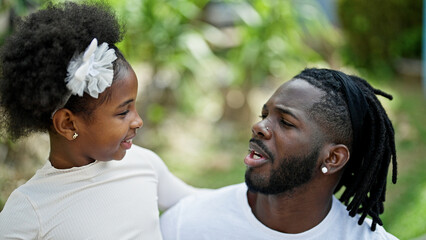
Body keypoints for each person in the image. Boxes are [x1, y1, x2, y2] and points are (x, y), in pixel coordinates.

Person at [0, 2, 196, 239]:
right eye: (123, 112)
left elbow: (200, 204)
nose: (138, 121)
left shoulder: (144, 164)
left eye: (134, 106)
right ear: (68, 124)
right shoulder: (30, 208)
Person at [160, 68, 399, 240]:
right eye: (264, 116)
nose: (259, 127)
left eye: (285, 122)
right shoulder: (186, 224)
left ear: (333, 158)